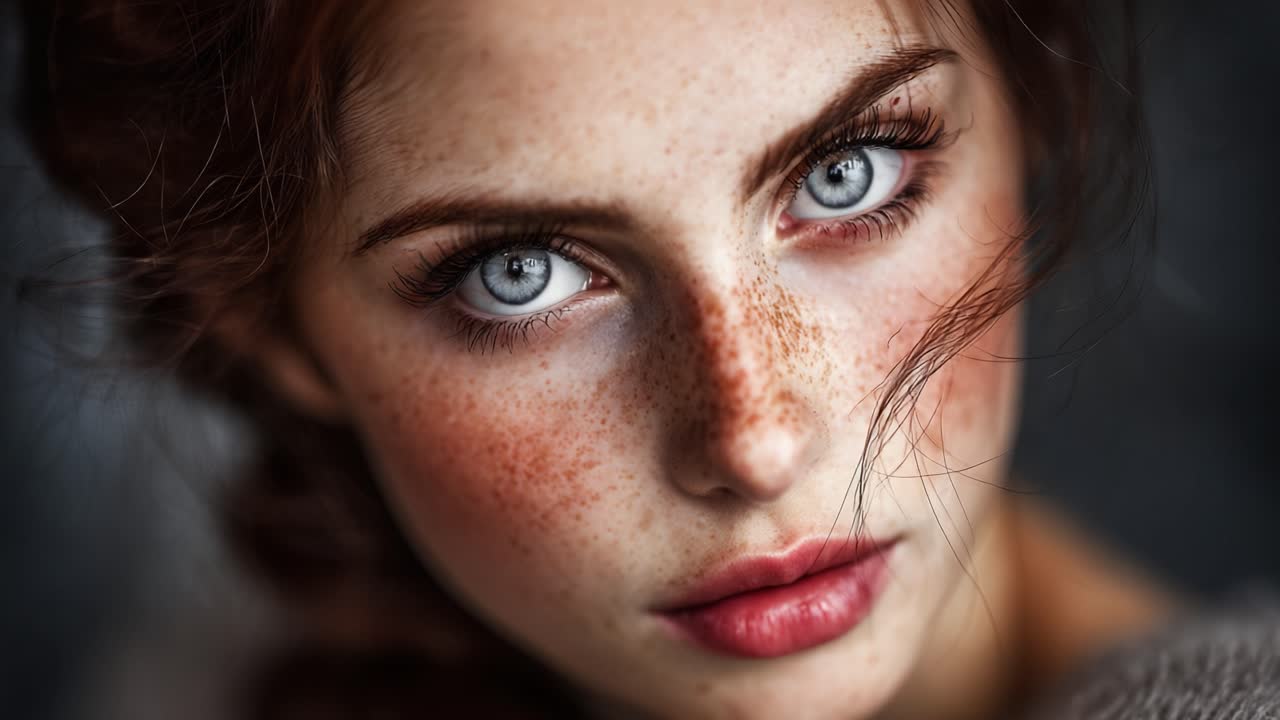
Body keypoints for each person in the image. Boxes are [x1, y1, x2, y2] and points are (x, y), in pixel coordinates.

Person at [24, 1, 1262, 718]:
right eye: (521, 272)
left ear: (1024, 113)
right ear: (274, 331)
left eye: (849, 174)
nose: (755, 439)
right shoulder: (204, 678)